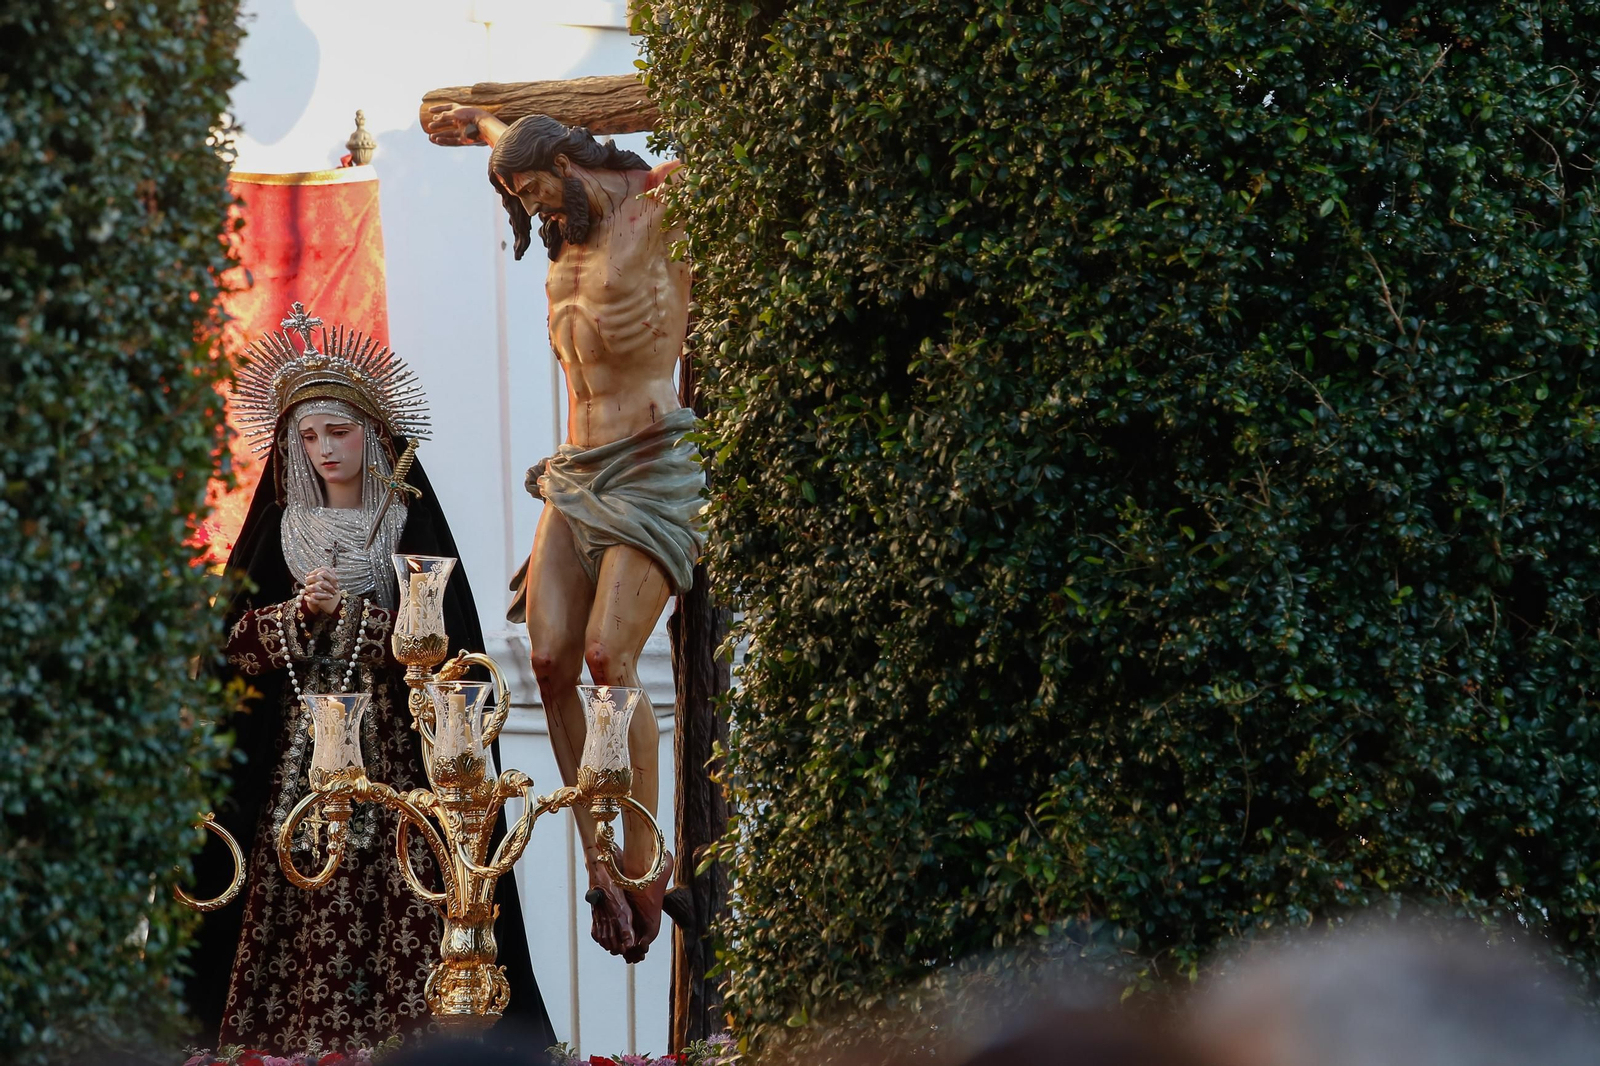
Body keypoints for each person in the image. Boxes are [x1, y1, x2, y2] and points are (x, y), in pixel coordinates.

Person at [184, 304, 555, 1054]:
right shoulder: (279, 529)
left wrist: (362, 619)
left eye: (338, 432)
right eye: (308, 437)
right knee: (291, 890)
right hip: (295, 760)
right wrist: (298, 615)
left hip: (396, 758)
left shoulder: (407, 528)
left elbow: (451, 653)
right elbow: (229, 651)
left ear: (375, 436)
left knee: (404, 890)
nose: (324, 449)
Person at [425, 106, 700, 963]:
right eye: (519, 198)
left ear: (571, 164)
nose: (534, 210)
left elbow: (724, 140)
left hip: (650, 465)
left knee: (609, 659)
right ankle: (598, 859)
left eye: (536, 191)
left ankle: (645, 862)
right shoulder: (566, 236)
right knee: (547, 663)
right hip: (576, 470)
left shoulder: (661, 207)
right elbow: (519, 135)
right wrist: (482, 122)